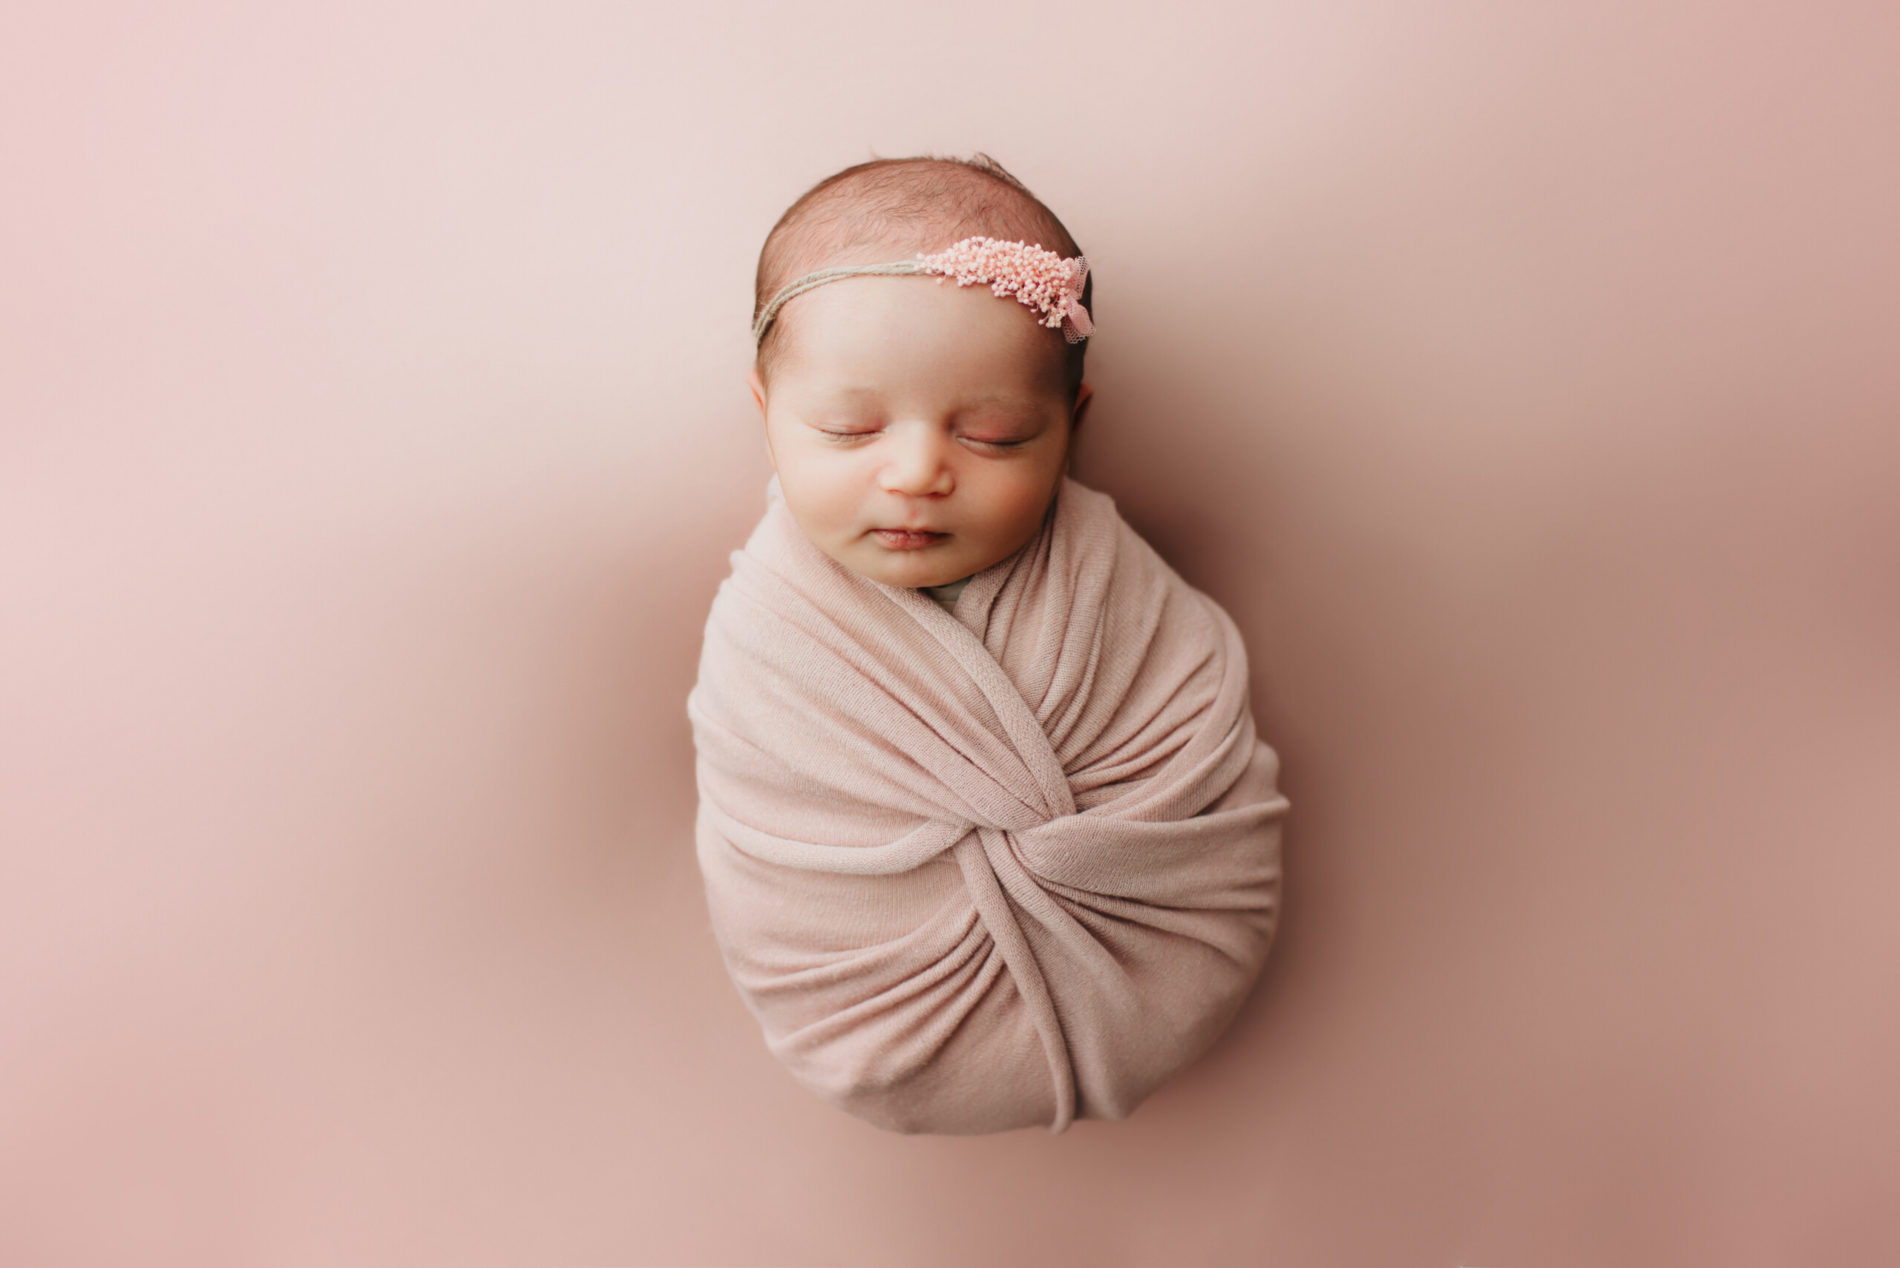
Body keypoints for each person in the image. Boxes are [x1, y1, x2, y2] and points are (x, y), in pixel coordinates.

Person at [688, 153, 1288, 1134]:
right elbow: (772, 830)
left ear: (1069, 430)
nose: (918, 470)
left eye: (997, 434)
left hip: (1150, 958)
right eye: (848, 428)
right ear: (767, 416)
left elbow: (1192, 752)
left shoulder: (1112, 588)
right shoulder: (769, 631)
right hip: (872, 1012)